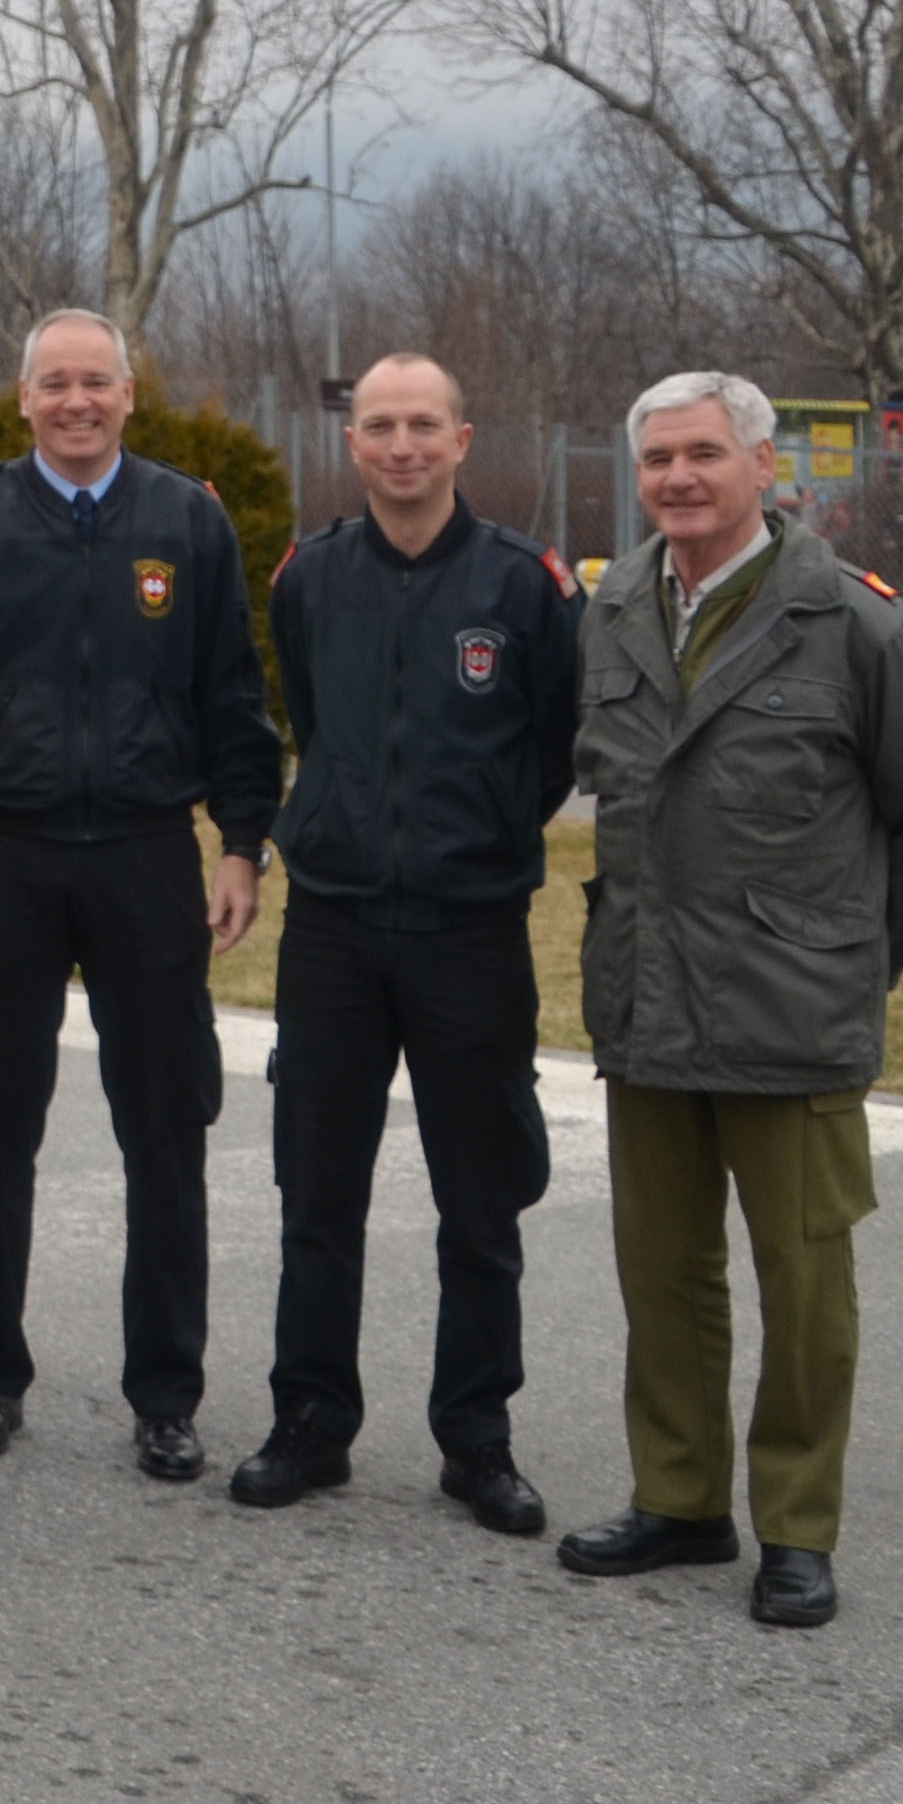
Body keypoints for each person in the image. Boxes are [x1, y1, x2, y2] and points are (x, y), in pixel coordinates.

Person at [556, 371, 903, 1629]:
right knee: (663, 1270)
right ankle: (679, 1496)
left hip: (792, 1009)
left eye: (703, 455)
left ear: (761, 466)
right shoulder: (618, 604)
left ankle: (797, 1526)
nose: (678, 479)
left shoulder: (850, 622)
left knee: (805, 1285)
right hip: (648, 998)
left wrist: (860, 954)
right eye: (657, 460)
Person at [0, 307, 283, 1482]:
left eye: (97, 383)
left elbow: (233, 692)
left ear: (131, 394)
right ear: (20, 399)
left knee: (166, 1126)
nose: (76, 401)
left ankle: (166, 1395)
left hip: (143, 852)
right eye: (54, 384)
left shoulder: (189, 520)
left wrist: (241, 843)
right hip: (5, 851)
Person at [234, 355, 580, 1538]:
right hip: (332, 927)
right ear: (355, 441)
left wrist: (471, 837)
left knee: (479, 1204)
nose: (400, 444)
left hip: (469, 930)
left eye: (422, 423)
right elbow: (315, 725)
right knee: (316, 1193)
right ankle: (310, 1423)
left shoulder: (524, 583)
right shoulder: (313, 576)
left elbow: (550, 749)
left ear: (462, 436)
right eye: (379, 424)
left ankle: (477, 1441)